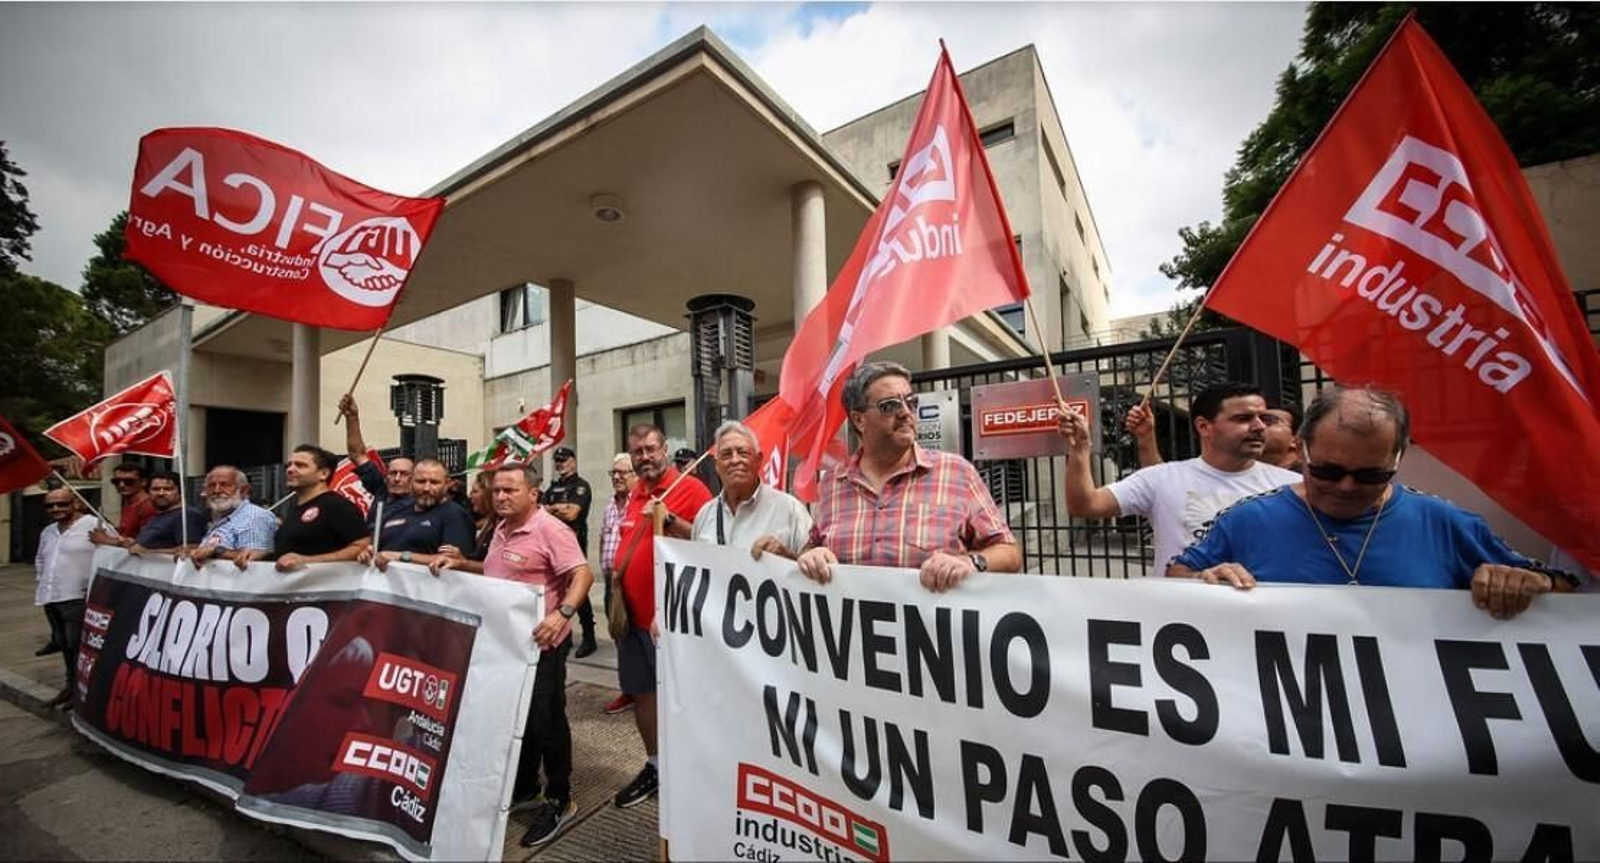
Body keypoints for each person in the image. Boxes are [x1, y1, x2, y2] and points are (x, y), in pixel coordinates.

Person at [1167, 387, 1577, 616]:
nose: (1346, 487)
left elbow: (1560, 588)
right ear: (1302, 449)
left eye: (1370, 475)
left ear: (1398, 458)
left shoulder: (1447, 523)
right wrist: (1205, 580)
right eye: (1328, 471)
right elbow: (1176, 577)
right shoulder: (1246, 519)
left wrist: (1530, 584)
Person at [433, 463, 594, 847]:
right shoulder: (500, 528)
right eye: (497, 490)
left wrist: (562, 614)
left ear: (533, 494)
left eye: (510, 490)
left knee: (547, 721)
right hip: (506, 645)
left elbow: (582, 574)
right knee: (516, 719)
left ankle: (559, 798)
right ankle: (526, 789)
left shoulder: (551, 529)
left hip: (543, 646)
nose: (501, 496)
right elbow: (497, 573)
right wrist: (463, 564)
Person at [797, 362, 1022, 591]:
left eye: (911, 402)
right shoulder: (832, 484)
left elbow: (1009, 552)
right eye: (890, 405)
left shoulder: (957, 473)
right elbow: (812, 547)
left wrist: (971, 562)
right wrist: (813, 555)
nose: (906, 412)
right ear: (859, 420)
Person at [1059, 381, 1301, 575]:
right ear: (1204, 427)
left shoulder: (1294, 487)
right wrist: (1080, 448)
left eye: (1263, 418)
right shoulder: (1162, 478)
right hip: (1178, 617)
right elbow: (1085, 505)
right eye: (1243, 418)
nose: (1259, 427)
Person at [612, 423, 712, 808]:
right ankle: (655, 764)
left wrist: (669, 520)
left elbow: (710, 544)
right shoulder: (635, 491)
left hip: (673, 623)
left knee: (685, 702)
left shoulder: (691, 488)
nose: (645, 457)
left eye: (651, 449)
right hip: (634, 620)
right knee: (642, 695)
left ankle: (692, 771)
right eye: (637, 452)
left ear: (665, 449)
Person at [691, 420, 812, 560]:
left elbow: (814, 565)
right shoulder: (704, 516)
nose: (735, 460)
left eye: (743, 453)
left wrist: (786, 556)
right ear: (717, 466)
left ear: (758, 460)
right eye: (726, 455)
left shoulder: (790, 510)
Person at [263, 445, 370, 572]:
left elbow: (362, 546)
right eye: (289, 465)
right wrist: (261, 555)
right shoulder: (295, 509)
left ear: (323, 474)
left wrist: (308, 561)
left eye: (300, 465)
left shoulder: (336, 505)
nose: (290, 470)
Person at [357, 458, 476, 570]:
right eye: (420, 481)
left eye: (434, 482)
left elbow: (452, 561)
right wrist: (367, 555)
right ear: (411, 481)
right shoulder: (396, 512)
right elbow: (379, 551)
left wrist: (402, 556)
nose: (426, 488)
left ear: (447, 484)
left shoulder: (454, 515)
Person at [35, 487, 94, 708]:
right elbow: (41, 559)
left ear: (75, 503)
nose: (56, 509)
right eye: (50, 505)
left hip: (78, 597)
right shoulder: (48, 531)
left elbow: (112, 553)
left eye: (62, 504)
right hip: (52, 597)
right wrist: (43, 581)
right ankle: (70, 687)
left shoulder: (93, 524)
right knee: (64, 645)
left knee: (77, 645)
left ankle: (82, 692)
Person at [1127, 399, 1304, 472]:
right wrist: (1146, 437)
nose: (1258, 426)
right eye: (1245, 419)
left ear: (1296, 440)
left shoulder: (1309, 482)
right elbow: (1161, 485)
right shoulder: (1231, 473)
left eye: (1268, 420)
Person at [543, 446, 597, 658]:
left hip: (574, 543)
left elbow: (572, 514)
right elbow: (539, 512)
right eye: (557, 461)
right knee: (556, 589)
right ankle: (563, 633)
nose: (560, 464)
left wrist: (552, 509)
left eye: (564, 460)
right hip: (551, 543)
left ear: (573, 461)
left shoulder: (581, 486)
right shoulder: (553, 487)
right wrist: (558, 508)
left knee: (578, 590)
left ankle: (589, 636)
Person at [599, 452, 636, 715]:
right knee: (618, 637)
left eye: (622, 472)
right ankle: (628, 690)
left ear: (636, 475)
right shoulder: (610, 506)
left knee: (637, 642)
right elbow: (603, 538)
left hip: (632, 584)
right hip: (611, 585)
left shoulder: (641, 503)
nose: (616, 477)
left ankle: (642, 691)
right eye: (613, 472)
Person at [336, 393, 413, 513]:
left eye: (404, 474)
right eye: (393, 473)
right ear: (386, 477)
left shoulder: (423, 503)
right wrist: (352, 418)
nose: (397, 479)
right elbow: (357, 455)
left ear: (414, 479)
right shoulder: (381, 491)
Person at [189, 465, 279, 568]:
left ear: (244, 490)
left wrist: (217, 550)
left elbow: (251, 562)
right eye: (211, 485)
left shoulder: (253, 517)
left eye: (225, 485)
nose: (217, 491)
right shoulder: (223, 517)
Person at [127, 470, 208, 554]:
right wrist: (132, 543)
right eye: (155, 489)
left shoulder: (187, 515)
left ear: (180, 492)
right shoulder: (157, 516)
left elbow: (191, 549)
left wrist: (148, 552)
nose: (161, 493)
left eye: (168, 489)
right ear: (149, 492)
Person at [89, 462, 155, 548]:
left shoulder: (148, 506)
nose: (121, 485)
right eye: (116, 481)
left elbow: (146, 542)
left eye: (129, 481)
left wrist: (105, 540)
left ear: (143, 482)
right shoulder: (129, 503)